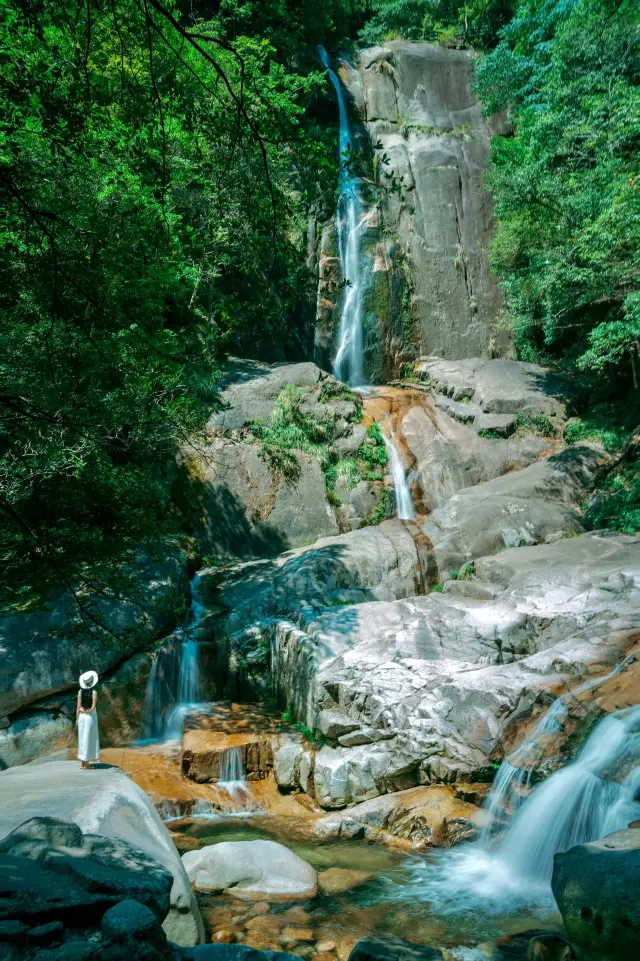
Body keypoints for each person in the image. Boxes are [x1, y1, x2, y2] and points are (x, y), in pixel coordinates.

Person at [76, 670, 100, 769]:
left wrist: (77, 719)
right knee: (88, 739)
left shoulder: (80, 691)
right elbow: (92, 708)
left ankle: (82, 763)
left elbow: (78, 707)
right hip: (90, 718)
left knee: (82, 739)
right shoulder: (94, 692)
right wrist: (86, 711)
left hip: (81, 717)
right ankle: (86, 765)